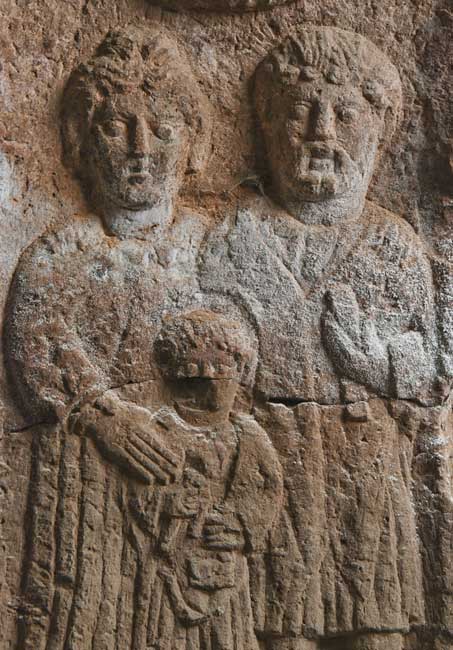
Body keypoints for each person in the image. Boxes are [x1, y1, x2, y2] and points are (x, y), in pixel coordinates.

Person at [200, 27, 436, 649]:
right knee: (281, 625)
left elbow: (429, 365)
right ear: (268, 125)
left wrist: (373, 361)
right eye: (300, 112)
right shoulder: (236, 235)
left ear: (377, 131)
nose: (321, 132)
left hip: (368, 458)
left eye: (344, 115)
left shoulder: (392, 242)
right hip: (268, 456)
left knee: (378, 623)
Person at [5, 26, 212, 650]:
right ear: (82, 140)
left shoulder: (216, 245)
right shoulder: (57, 255)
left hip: (194, 488)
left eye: (161, 127)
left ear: (193, 140)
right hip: (88, 487)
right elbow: (34, 346)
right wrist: (102, 416)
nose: (140, 149)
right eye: (117, 127)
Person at [74, 309, 284, 650]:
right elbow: (135, 495)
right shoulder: (159, 429)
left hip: (223, 565)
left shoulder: (247, 434)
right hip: (166, 569)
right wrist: (170, 505)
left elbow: (268, 488)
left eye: (220, 373)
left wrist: (244, 524)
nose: (209, 388)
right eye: (196, 376)